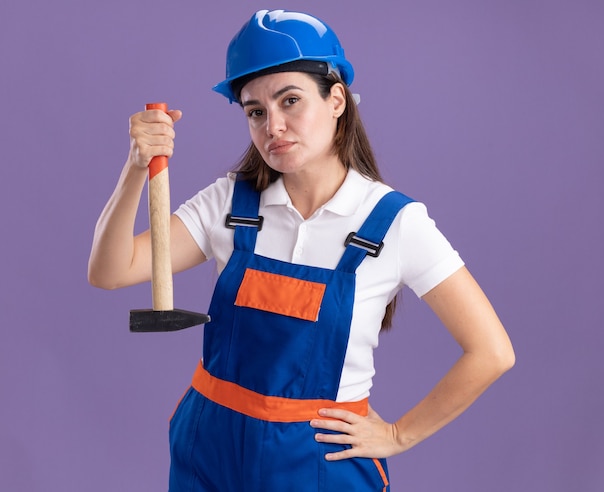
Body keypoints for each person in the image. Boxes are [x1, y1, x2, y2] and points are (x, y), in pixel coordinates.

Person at [88, 9, 515, 491]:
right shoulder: (231, 202)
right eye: (255, 111)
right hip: (209, 445)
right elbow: (110, 270)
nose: (274, 125)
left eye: (291, 101)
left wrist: (398, 435)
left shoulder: (393, 223)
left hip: (317, 461)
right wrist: (135, 168)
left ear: (336, 100)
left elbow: (492, 352)